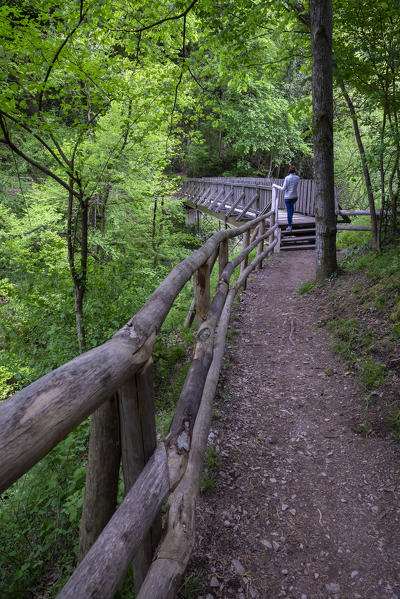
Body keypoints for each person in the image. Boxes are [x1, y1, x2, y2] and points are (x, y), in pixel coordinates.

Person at [282, 165, 300, 233]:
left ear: (289, 170)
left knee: (289, 211)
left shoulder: (287, 178)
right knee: (291, 208)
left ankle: (289, 226)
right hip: (295, 197)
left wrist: (275, 186)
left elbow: (283, 189)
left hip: (288, 197)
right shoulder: (297, 178)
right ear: (295, 170)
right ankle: (291, 220)